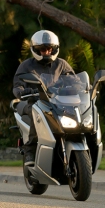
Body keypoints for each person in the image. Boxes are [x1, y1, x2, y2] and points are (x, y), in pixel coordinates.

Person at [12, 30, 74, 164]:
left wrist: (82, 87)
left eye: (49, 49)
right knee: (37, 114)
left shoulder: (61, 64)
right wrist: (22, 92)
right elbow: (18, 85)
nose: (46, 52)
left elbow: (74, 80)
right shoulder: (26, 65)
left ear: (54, 49)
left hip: (58, 103)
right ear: (36, 50)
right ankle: (30, 151)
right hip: (35, 101)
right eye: (43, 49)